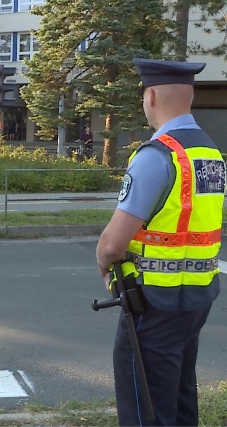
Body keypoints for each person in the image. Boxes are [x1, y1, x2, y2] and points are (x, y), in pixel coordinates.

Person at [95, 58, 225, 427]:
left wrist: (102, 262)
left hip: (152, 303)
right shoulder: (210, 154)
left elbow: (111, 246)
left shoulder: (157, 156)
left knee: (145, 408)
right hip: (196, 298)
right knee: (181, 399)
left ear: (150, 97)